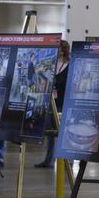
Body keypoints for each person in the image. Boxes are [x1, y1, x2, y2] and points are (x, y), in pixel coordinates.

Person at [35, 40, 70, 168]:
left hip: (64, 103)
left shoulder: (69, 64)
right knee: (50, 132)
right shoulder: (51, 64)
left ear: (64, 49)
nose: (57, 50)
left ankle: (67, 161)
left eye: (59, 48)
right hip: (51, 102)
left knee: (63, 133)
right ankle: (48, 160)